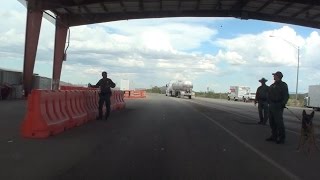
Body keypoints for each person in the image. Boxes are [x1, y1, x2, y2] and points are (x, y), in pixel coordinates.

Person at [266, 71, 289, 144]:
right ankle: (274, 136)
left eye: (274, 75)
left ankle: (282, 138)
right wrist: (269, 101)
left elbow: (286, 95)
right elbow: (268, 94)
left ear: (278, 76)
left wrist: (283, 103)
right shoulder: (272, 85)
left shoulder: (283, 85)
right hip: (272, 105)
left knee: (279, 122)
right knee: (272, 122)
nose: (273, 77)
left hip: (278, 105)